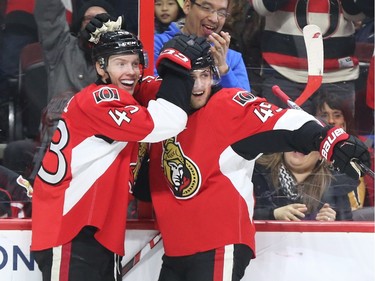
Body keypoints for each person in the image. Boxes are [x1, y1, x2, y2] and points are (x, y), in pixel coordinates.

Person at [134, 33, 371, 281]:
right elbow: (128, 84)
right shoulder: (159, 101)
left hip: (217, 246)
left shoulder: (228, 107)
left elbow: (285, 122)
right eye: (189, 77)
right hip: (175, 248)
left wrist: (328, 140)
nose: (199, 86)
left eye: (205, 75)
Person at [30, 28, 207, 281]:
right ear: (102, 69)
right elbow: (168, 120)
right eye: (120, 63)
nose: (131, 71)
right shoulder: (100, 99)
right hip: (72, 230)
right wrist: (177, 64)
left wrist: (190, 70)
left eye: (135, 63)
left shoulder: (123, 98)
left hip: (99, 233)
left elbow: (175, 96)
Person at [250, 0, 367, 115]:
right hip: (284, 73)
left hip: (338, 74)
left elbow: (357, 14)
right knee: (285, 132)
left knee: (336, 134)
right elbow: (262, 6)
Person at [153, 0, 251, 91]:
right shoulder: (157, 45)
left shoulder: (232, 58)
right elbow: (151, 91)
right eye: (206, 8)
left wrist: (223, 70)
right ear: (187, 6)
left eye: (221, 13)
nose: (214, 19)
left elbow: (245, 104)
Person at [314, 91, 374, 219]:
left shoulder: (364, 152)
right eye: (324, 115)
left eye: (337, 115)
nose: (330, 121)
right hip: (326, 218)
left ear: (346, 119)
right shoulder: (308, 155)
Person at [252, 151, 356, 221]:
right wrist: (273, 214)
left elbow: (349, 236)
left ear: (321, 154)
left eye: (307, 142)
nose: (299, 145)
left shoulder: (335, 184)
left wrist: (331, 227)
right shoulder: (256, 173)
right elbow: (239, 218)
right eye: (294, 138)